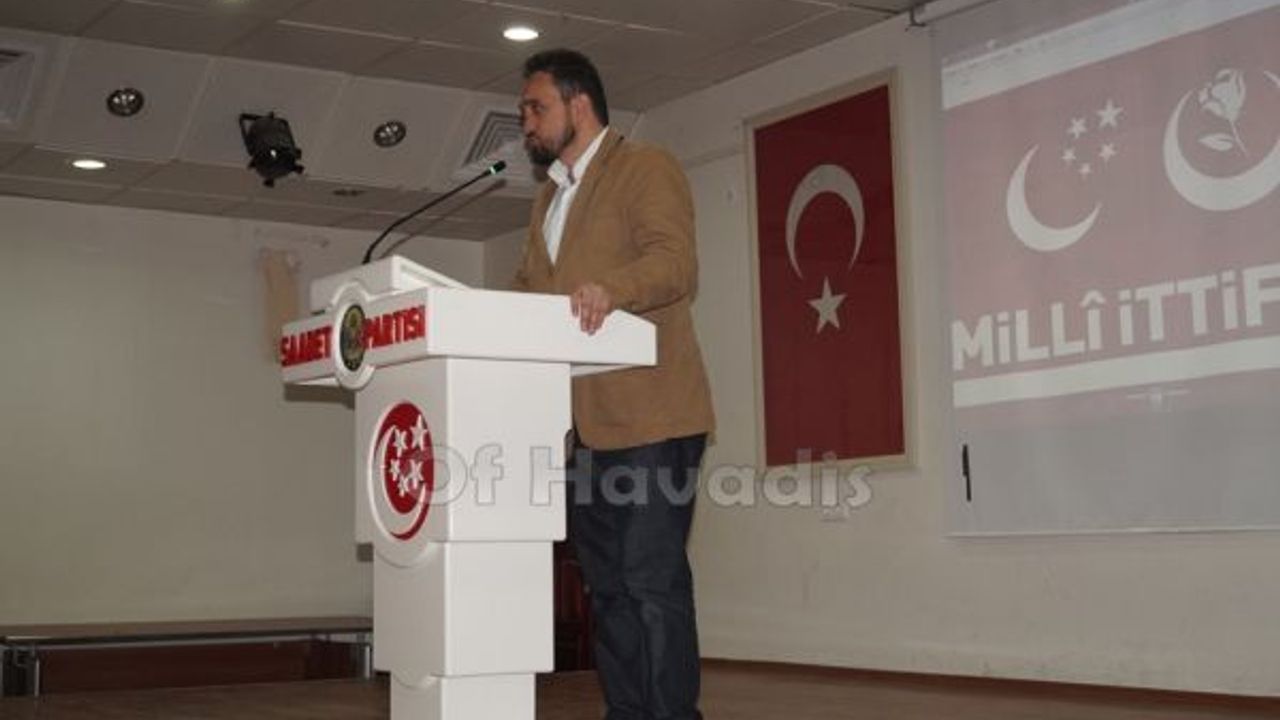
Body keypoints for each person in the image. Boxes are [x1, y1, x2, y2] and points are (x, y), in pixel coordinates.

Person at [512, 48, 716, 720]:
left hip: (654, 416)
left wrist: (612, 288)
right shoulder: (548, 198)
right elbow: (529, 293)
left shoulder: (644, 166)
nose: (526, 123)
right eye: (523, 111)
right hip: (583, 431)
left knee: (651, 580)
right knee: (607, 588)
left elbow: (675, 263)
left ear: (579, 104)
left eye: (536, 107)